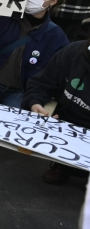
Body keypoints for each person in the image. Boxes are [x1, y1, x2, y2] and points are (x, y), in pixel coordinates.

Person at [23, 40, 90, 184]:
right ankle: (63, 167)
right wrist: (35, 103)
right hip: (65, 119)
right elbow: (42, 83)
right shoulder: (73, 51)